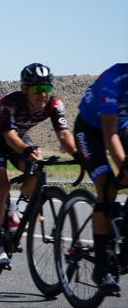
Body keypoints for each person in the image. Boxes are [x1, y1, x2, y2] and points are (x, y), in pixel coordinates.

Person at [0, 63, 78, 265]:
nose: (43, 94)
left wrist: (79, 154)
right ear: (24, 88)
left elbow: (63, 134)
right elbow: (9, 136)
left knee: (37, 168)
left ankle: (16, 210)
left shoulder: (54, 105)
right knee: (2, 186)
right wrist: (25, 149)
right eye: (37, 89)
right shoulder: (9, 104)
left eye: (47, 88)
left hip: (19, 136)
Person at [74, 63, 128, 294]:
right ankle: (101, 268)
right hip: (90, 130)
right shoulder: (114, 79)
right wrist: (124, 166)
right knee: (107, 187)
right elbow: (109, 133)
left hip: (123, 128)